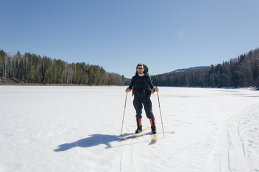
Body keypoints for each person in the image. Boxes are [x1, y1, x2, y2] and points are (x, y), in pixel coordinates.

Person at [125, 64, 159, 134]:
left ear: (143, 69)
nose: (140, 69)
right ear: (137, 69)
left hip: (146, 97)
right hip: (137, 97)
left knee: (149, 112)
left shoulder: (147, 77)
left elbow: (151, 86)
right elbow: (131, 86)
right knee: (138, 113)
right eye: (138, 68)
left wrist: (155, 89)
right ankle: (139, 128)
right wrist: (128, 89)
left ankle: (153, 128)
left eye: (141, 68)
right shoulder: (134, 78)